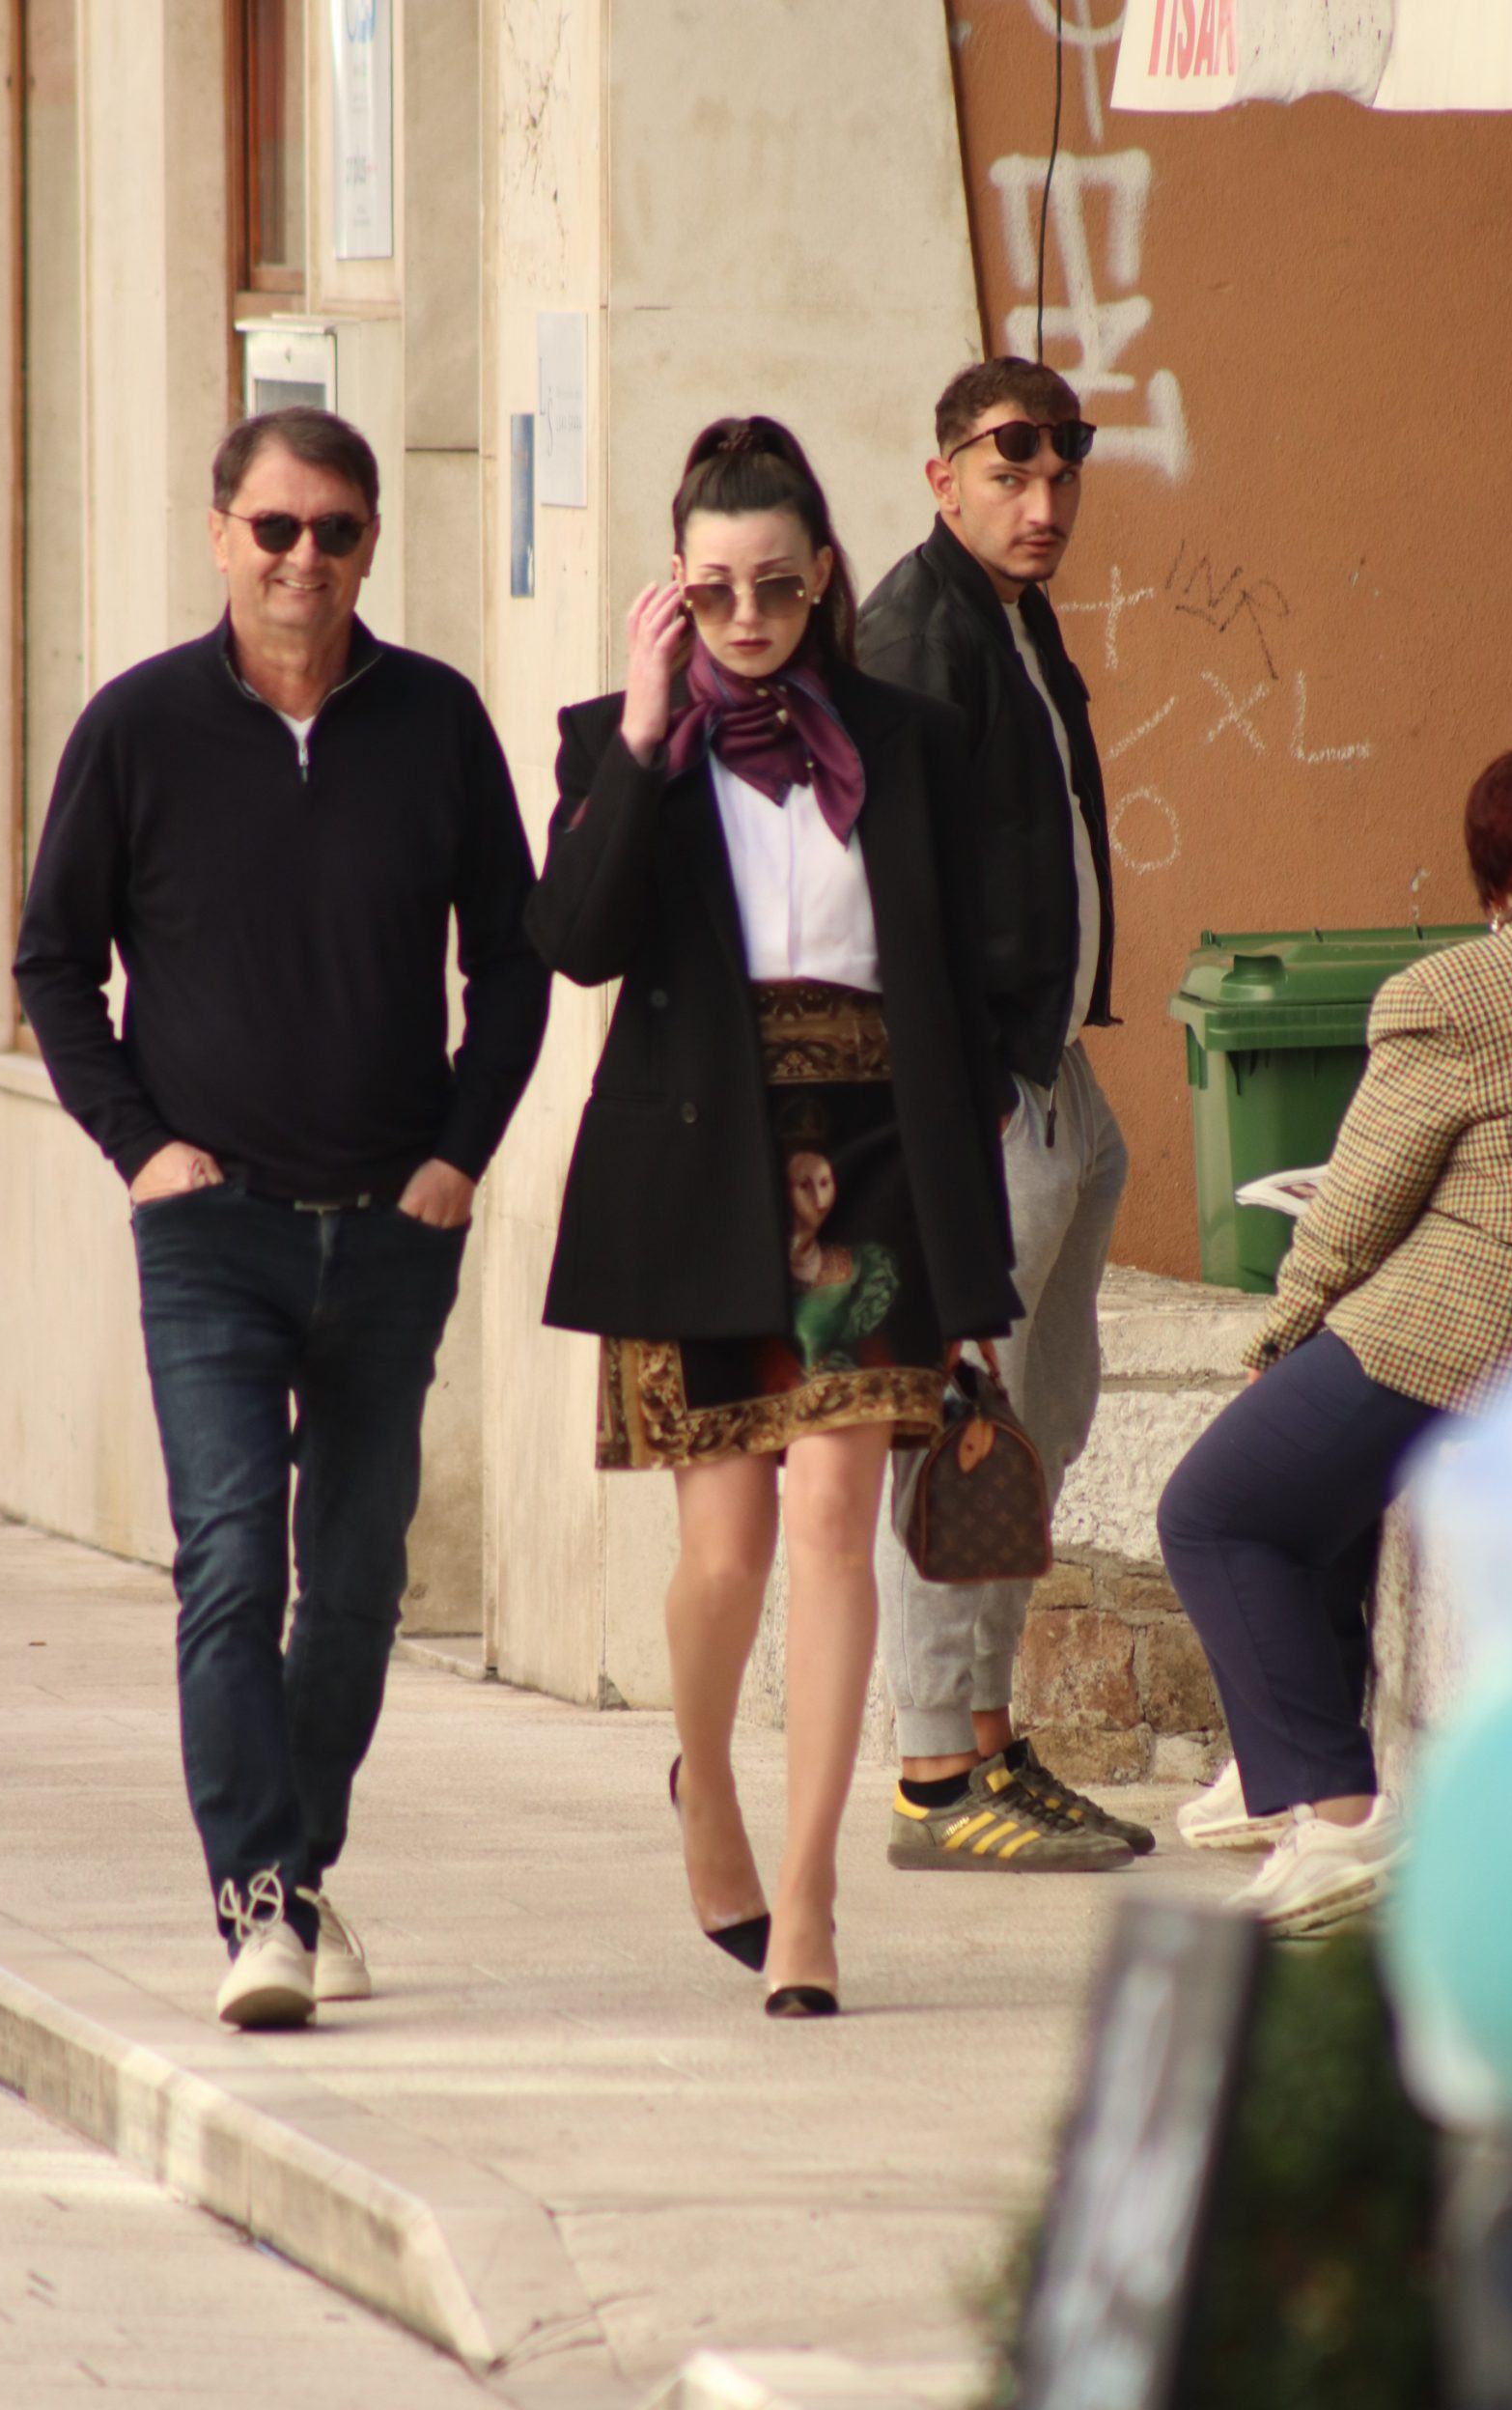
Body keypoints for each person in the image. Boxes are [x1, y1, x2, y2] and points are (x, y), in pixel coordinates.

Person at [14, 407, 548, 2029]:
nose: (303, 558)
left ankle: (295, 1880)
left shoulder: (436, 722)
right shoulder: (138, 727)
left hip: (393, 1232)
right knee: (234, 1562)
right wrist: (140, 1149)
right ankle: (257, 1898)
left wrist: (457, 1158)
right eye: (274, 528)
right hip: (212, 1232)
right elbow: (54, 964)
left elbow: (513, 962)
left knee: (360, 1582)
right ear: (219, 535)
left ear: (371, 542)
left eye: (335, 530)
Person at [527, 415, 1029, 2019]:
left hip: (872, 1157)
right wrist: (643, 733)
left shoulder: (909, 740)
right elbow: (577, 942)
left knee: (828, 1527)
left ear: (821, 575)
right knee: (724, 1555)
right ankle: (709, 1792)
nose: (746, 616)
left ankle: (807, 1899)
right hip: (694, 1163)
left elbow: (965, 975)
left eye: (775, 585)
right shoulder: (617, 741)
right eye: (713, 591)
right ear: (673, 591)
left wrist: (970, 1216)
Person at [1158, 742, 1512, 1934]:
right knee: (1308, 1479)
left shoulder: (1460, 992)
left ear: (1492, 881)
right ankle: (1278, 1761)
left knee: (1216, 1509)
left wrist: (1284, 1326)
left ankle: (1336, 1820)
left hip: (1478, 1323)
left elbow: (1361, 1200)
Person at [855, 356, 1147, 1872]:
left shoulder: (1012, 617)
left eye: (1056, 475)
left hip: (1050, 1070)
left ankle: (984, 1739)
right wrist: (951, 1114)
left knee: (1029, 1431)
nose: (1039, 504)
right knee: (954, 1430)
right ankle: (929, 1774)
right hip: (977, 1094)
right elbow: (889, 902)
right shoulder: (916, 634)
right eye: (1004, 472)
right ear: (942, 479)